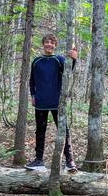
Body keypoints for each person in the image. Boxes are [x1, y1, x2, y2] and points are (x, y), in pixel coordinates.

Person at [25, 33, 78, 172]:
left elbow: (69, 71)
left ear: (55, 45)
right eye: (47, 42)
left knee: (64, 131)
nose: (49, 44)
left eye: (52, 42)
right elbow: (32, 80)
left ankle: (70, 162)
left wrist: (73, 59)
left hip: (57, 102)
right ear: (43, 44)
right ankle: (38, 161)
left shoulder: (59, 59)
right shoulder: (36, 61)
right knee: (40, 132)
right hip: (41, 102)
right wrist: (32, 95)